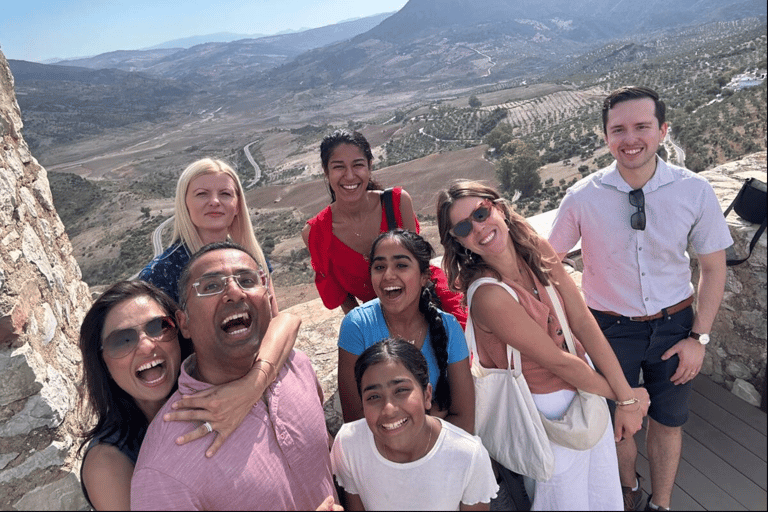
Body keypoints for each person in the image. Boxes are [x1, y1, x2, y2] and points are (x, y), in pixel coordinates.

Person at [548, 86, 732, 511]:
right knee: (620, 424)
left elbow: (713, 267)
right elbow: (548, 264)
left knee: (668, 422)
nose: (631, 138)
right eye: (619, 129)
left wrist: (698, 339)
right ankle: (627, 493)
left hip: (675, 326)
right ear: (606, 136)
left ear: (663, 131)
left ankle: (661, 504)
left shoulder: (694, 190)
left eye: (642, 127)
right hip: (609, 330)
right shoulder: (582, 197)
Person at [437, 180, 650, 511]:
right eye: (464, 227)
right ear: (458, 241)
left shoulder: (536, 250)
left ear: (499, 208)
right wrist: (625, 398)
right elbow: (557, 362)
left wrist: (626, 396)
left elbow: (582, 322)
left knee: (602, 490)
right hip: (542, 409)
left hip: (585, 387)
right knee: (564, 499)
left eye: (481, 212)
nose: (479, 228)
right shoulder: (489, 295)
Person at [131, 241, 339, 511]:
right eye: (211, 286)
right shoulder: (163, 468)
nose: (234, 292)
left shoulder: (297, 367)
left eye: (247, 280)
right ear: (185, 323)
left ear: (268, 299)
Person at [302, 129, 467, 326]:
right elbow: (343, 298)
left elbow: (418, 269)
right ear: (325, 171)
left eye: (358, 165)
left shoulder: (397, 203)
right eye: (339, 167)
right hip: (375, 318)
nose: (349, 175)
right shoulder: (316, 233)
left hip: (427, 304)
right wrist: (371, 328)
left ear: (370, 166)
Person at [331, 337, 498, 511]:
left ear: (427, 396)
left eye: (401, 390)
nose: (388, 409)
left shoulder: (468, 456)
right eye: (373, 397)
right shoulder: (350, 444)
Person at [337, 229, 474, 433]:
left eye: (401, 265)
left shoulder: (449, 327)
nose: (388, 275)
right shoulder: (357, 326)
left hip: (438, 452)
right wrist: (431, 417)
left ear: (423, 277)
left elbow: (464, 418)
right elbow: (356, 422)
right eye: (379, 267)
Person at [139, 157, 272, 309]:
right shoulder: (160, 274)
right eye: (202, 194)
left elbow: (272, 316)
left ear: (237, 206)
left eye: (225, 194)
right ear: (184, 204)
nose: (214, 201)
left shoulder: (252, 256)